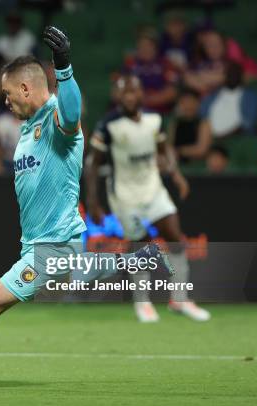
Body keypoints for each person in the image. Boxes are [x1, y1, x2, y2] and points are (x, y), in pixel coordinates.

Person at [0, 27, 174, 388]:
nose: (6, 102)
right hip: (46, 241)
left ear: (25, 88)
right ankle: (138, 259)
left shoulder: (57, 116)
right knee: (76, 273)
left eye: (8, 95)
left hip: (50, 245)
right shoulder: (27, 131)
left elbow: (71, 115)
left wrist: (64, 68)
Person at [86, 74, 210, 323]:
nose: (129, 96)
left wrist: (176, 175)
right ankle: (142, 303)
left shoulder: (155, 120)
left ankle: (180, 299)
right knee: (140, 245)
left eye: (133, 91)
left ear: (141, 94)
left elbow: (165, 150)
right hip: (125, 196)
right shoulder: (107, 125)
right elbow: (92, 163)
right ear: (117, 96)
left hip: (153, 189)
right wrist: (92, 201)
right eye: (124, 92)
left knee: (175, 236)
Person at [123, 29, 178, 113]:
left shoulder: (166, 64)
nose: (145, 49)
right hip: (133, 110)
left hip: (159, 111)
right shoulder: (130, 64)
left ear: (155, 47)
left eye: (148, 45)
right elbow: (118, 91)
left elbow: (172, 92)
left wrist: (148, 100)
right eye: (141, 46)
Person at [200, 62, 257, 139]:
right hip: (211, 137)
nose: (232, 76)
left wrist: (225, 135)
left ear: (241, 76)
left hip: (238, 137)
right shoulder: (214, 94)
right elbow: (202, 114)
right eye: (230, 73)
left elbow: (249, 122)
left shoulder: (250, 95)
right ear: (225, 76)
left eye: (236, 73)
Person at [169, 89, 212, 162]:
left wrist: (180, 151)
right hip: (175, 161)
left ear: (198, 103)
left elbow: (201, 150)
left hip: (196, 163)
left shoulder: (204, 123)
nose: (188, 105)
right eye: (184, 102)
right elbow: (169, 145)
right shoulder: (175, 123)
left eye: (191, 101)